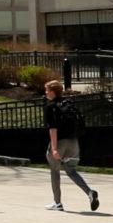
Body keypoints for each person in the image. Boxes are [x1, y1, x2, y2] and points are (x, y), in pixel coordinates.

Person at [41, 78, 99, 213]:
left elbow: (53, 129)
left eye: (47, 90)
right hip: (74, 143)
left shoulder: (51, 107)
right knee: (71, 171)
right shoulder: (69, 103)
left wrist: (54, 149)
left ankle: (57, 203)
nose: (45, 93)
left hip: (60, 142)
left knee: (55, 171)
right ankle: (90, 193)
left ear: (52, 92)